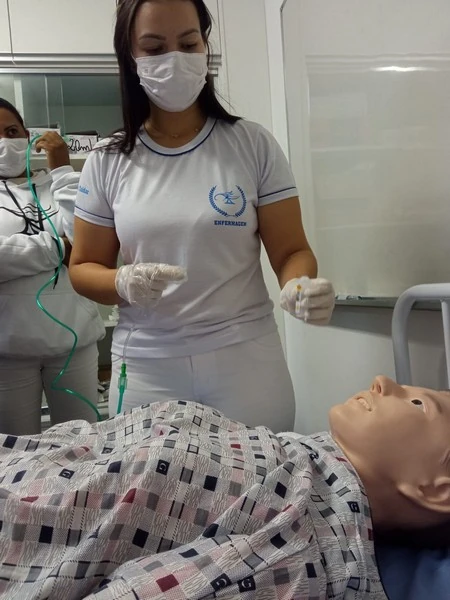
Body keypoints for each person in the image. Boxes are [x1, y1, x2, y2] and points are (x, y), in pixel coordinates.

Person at [69, 0, 335, 432]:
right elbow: (82, 268)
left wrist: (300, 284)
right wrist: (122, 282)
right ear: (130, 57)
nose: (174, 58)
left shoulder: (252, 144)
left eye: (188, 43)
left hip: (246, 359)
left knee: (264, 473)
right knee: (148, 477)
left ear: (205, 46)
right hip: (147, 365)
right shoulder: (108, 160)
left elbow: (291, 251)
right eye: (154, 48)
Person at [0, 375, 448, 599]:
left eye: (418, 403)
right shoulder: (303, 457)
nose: (383, 381)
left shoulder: (297, 543)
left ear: (436, 490)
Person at [0, 98, 105, 436]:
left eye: (11, 131)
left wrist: (62, 170)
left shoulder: (58, 185)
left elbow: (87, 242)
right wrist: (59, 247)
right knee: (17, 453)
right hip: (8, 351)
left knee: (83, 446)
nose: (4, 142)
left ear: (27, 135)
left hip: (75, 343)